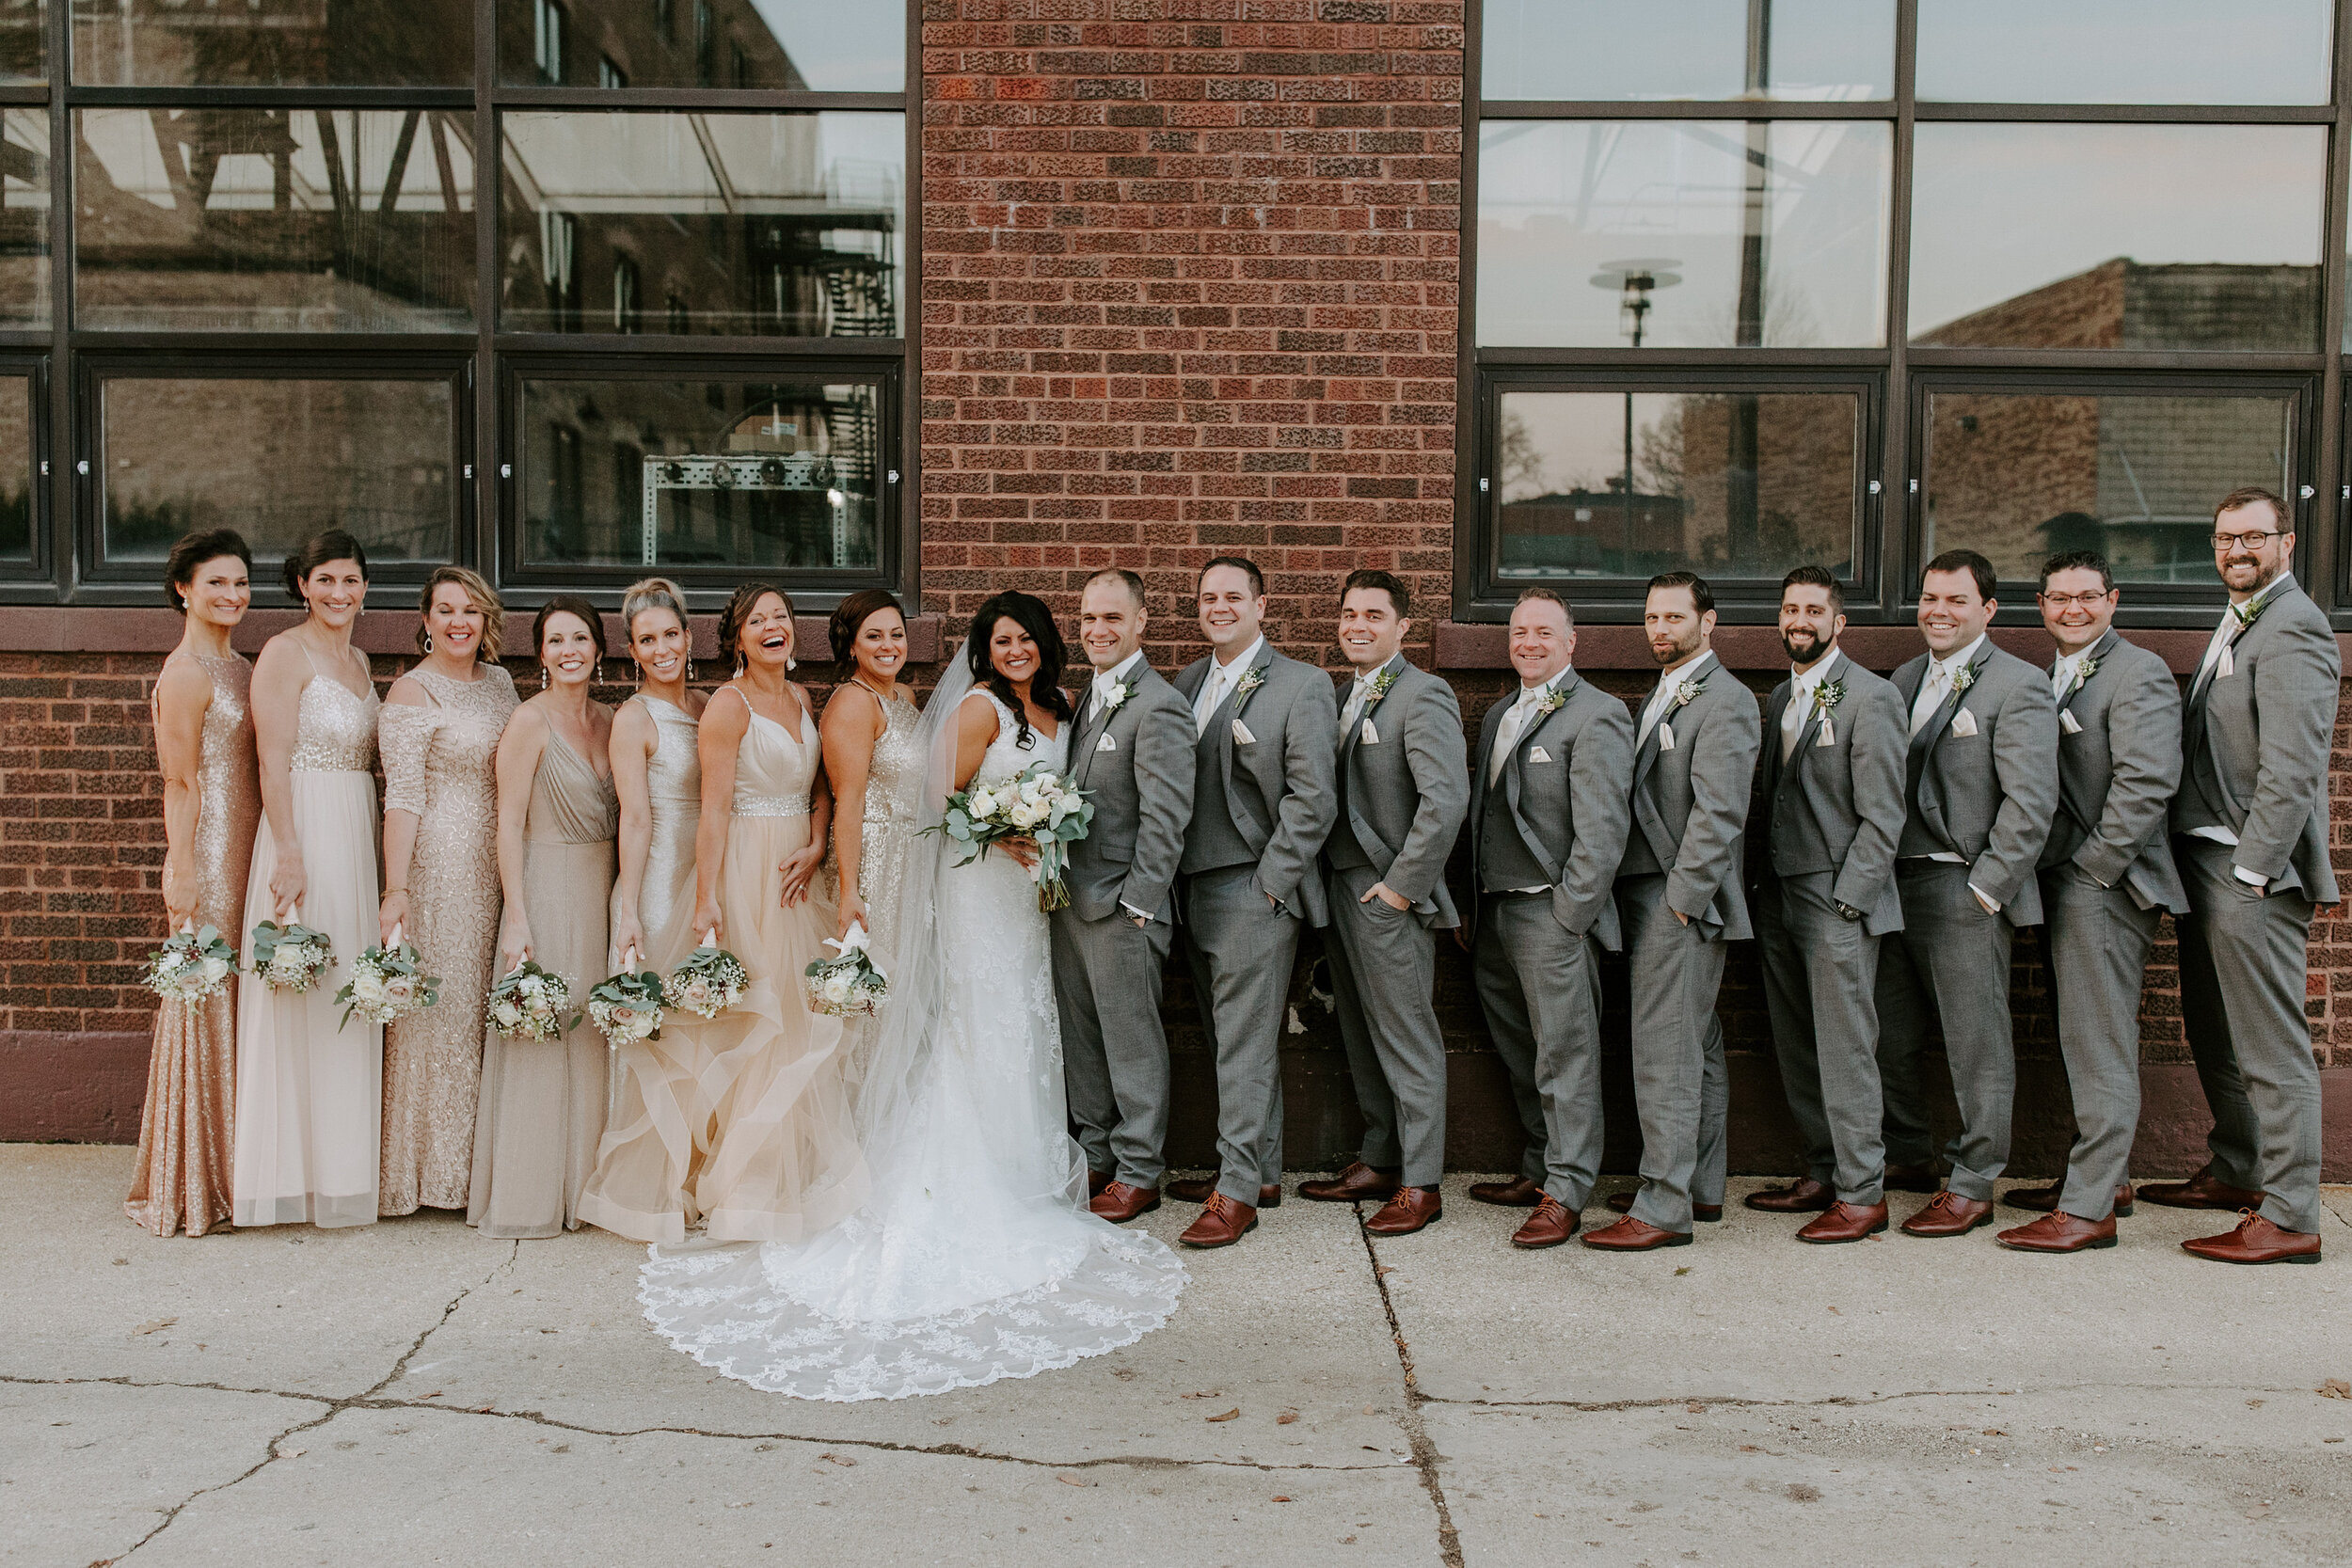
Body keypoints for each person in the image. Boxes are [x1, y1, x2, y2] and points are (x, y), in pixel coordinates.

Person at [639, 593, 1187, 1401]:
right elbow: (922, 798)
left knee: (1021, 1017)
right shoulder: (959, 709)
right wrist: (981, 833)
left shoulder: (1049, 704)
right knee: (968, 1018)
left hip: (1025, 898)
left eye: (1027, 638)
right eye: (1001, 640)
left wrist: (1036, 830)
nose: (1016, 649)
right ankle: (951, 1170)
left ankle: (1028, 1159)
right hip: (965, 885)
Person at [2144, 488, 2335, 1265]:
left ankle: (2290, 1215)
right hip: (2206, 860)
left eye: (2254, 537)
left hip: (2248, 869)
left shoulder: (2296, 628)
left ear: (2287, 543)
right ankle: (2239, 1170)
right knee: (2216, 1029)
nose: (2238, 550)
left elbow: (2293, 769)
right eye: (2225, 538)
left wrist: (2254, 868)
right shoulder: (2242, 615)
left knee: (2269, 1042)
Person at [1994, 552, 2185, 1255]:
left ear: (2113, 601)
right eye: (2058, 598)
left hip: (2104, 885)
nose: (2073, 609)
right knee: (2083, 1035)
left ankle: (2087, 1210)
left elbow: (2146, 783)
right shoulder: (2050, 677)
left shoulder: (2139, 674)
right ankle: (2108, 1179)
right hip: (2061, 883)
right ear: (2041, 606)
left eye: (2087, 597)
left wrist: (2093, 871)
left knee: (2098, 1043)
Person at [1876, 549, 2059, 1239]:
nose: (1939, 611)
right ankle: (1909, 1154)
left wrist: (1986, 890)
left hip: (1964, 886)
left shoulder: (2017, 684)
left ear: (1987, 609)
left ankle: (1975, 1179)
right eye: (1930, 598)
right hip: (1895, 883)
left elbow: (2032, 802)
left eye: (1956, 600)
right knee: (1889, 1034)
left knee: (1974, 1042)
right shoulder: (1902, 679)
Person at [682, 584, 865, 1243]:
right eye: (758, 620)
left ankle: (796, 1164)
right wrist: (708, 897)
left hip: (798, 867)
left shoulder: (801, 698)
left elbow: (820, 786)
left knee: (797, 1011)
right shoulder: (727, 708)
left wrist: (818, 843)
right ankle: (746, 1181)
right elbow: (714, 810)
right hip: (750, 869)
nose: (772, 627)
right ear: (737, 638)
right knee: (756, 1018)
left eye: (782, 617)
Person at [1166, 557, 1339, 1248]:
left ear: (1261, 606)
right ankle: (1259, 1169)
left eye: (1233, 596)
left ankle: (1235, 1192)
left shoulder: (1302, 684)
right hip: (1193, 888)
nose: (1220, 606)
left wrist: (1272, 881)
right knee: (1228, 1040)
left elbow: (1314, 797)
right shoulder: (1183, 683)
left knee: (1242, 1044)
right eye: (1208, 597)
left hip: (1253, 887)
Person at [1588, 572, 1758, 1252]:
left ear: (1707, 621)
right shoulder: (1665, 690)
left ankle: (1662, 1207)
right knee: (1697, 1043)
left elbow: (1720, 812)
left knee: (1664, 1051)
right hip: (1648, 893)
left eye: (1675, 617)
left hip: (1679, 899)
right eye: (1653, 617)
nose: (1661, 628)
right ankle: (1697, 1183)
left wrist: (1682, 903)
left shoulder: (1728, 700)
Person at [1461, 587, 1634, 1249]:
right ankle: (1538, 1167)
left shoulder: (1597, 714)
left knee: (1565, 1055)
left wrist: (1570, 916)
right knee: (1521, 1049)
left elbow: (1603, 831)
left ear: (1571, 642)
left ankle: (1566, 1189)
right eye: (1518, 631)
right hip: (1495, 913)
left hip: (1551, 916)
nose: (1528, 642)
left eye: (1543, 632)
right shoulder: (1500, 713)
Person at [1744, 566, 1910, 1244]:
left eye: (1813, 610)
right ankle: (1823, 1168)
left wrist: (1849, 901)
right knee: (1799, 1041)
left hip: (1838, 898)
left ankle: (1864, 1191)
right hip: (1782, 892)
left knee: (1846, 1047)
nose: (1799, 620)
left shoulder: (1870, 698)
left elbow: (1884, 814)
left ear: (1839, 623)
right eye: (1790, 609)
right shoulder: (1782, 693)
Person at [1297, 569, 1467, 1237]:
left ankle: (1421, 1182)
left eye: (1373, 614)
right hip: (1340, 888)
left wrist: (1401, 885)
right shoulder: (1340, 694)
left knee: (1405, 1034)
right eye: (1348, 614)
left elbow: (1444, 800)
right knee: (1362, 1033)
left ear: (1402, 626)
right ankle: (1380, 1156)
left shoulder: (1424, 694)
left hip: (1387, 891)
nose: (1357, 625)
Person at [230, 529, 383, 1229]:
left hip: (355, 825)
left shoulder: (359, 659)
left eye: (350, 579)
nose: (338, 592)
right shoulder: (283, 654)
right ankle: (283, 1174)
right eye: (325, 579)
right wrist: (287, 848)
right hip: (304, 826)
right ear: (302, 584)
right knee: (299, 989)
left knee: (347, 987)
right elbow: (272, 758)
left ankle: (341, 1172)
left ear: (364, 587)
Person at [466, 597, 617, 1240]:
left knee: (592, 1030)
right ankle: (531, 1192)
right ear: (541, 654)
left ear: (600, 650)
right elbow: (507, 825)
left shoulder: (612, 721)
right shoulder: (528, 722)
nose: (568, 650)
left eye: (579, 638)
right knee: (543, 1030)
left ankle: (587, 1186)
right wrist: (518, 916)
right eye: (555, 641)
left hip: (601, 888)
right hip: (546, 887)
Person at [127, 530, 260, 1238]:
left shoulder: (240, 665)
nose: (232, 596)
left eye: (241, 583)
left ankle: (245, 1163)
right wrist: (180, 869)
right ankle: (197, 1174)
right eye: (217, 583)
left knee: (244, 1001)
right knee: (206, 1000)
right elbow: (179, 782)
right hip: (208, 852)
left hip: (250, 851)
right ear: (184, 587)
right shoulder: (184, 674)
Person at [1054, 568, 1196, 1216]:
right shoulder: (1090, 695)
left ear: (1141, 622)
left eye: (1112, 617)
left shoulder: (1157, 703)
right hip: (1071, 904)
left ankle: (1140, 1169)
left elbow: (1168, 816)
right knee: (1084, 1042)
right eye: (1088, 618)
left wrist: (1139, 903)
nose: (1097, 629)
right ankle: (1098, 1156)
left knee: (1132, 1041)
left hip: (1122, 908)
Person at [376, 567, 518, 1218]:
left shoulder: (503, 684)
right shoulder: (410, 693)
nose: (459, 621)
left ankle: (477, 1169)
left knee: (481, 1004)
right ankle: (427, 1173)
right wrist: (396, 887)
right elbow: (402, 795)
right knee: (441, 1011)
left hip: (496, 862)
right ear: (426, 621)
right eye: (445, 610)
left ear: (486, 619)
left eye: (470, 610)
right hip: (439, 860)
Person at [580, 578, 715, 1243]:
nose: (661, 648)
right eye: (647, 639)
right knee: (659, 1025)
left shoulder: (709, 705)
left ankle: (699, 1173)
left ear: (690, 639)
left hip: (709, 874)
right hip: (658, 875)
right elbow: (634, 819)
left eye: (670, 634)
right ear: (631, 651)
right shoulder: (634, 718)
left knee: (704, 1023)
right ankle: (652, 1183)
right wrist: (629, 907)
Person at [818, 590, 923, 974]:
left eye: (897, 634)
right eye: (874, 636)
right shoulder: (853, 703)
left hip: (909, 857)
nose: (889, 645)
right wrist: (849, 892)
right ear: (851, 647)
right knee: (873, 976)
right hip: (871, 862)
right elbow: (848, 802)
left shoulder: (903, 697)